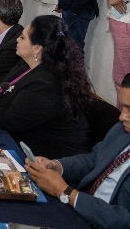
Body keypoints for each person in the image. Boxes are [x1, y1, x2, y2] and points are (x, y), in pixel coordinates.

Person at [0, 15, 92, 159]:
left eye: (22, 38)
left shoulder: (45, 83)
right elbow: (1, 86)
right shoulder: (27, 66)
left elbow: (9, 120)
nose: (17, 39)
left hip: (48, 159)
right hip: (26, 140)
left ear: (37, 48)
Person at [26, 73, 130, 228]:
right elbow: (94, 159)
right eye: (123, 107)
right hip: (80, 210)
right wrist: (56, 165)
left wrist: (66, 192)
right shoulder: (121, 130)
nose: (122, 116)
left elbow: (124, 220)